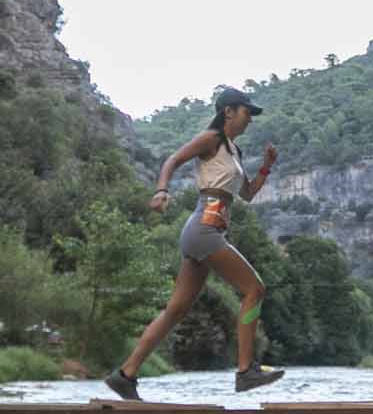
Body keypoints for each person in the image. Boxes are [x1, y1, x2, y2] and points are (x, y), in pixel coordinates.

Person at [105, 85, 284, 397]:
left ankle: (125, 374)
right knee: (255, 289)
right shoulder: (211, 139)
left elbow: (247, 194)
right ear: (228, 112)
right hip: (204, 228)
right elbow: (173, 159)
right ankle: (245, 370)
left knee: (176, 310)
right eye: (246, 112)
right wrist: (161, 190)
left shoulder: (234, 152)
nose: (250, 119)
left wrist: (266, 167)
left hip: (206, 231)